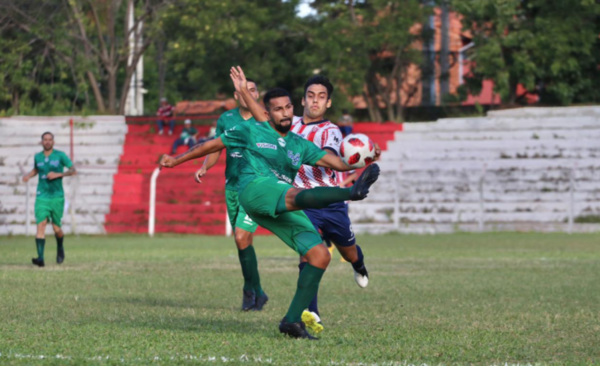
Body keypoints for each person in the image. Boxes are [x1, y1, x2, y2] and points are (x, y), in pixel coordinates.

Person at [159, 66, 381, 340]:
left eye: (288, 107)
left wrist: (365, 157)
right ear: (267, 113)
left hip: (281, 201)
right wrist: (176, 159)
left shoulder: (299, 144)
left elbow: (337, 162)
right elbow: (211, 145)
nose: (285, 113)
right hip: (255, 189)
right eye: (278, 109)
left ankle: (291, 322)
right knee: (291, 194)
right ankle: (352, 194)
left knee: (320, 255)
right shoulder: (252, 130)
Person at [290, 76, 369, 335]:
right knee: (309, 254)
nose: (315, 100)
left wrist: (300, 153)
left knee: (349, 253)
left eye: (321, 96)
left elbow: (330, 157)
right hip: (302, 201)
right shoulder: (288, 126)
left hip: (331, 202)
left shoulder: (330, 131)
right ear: (302, 100)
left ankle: (358, 264)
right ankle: (311, 312)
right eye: (310, 95)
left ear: (328, 102)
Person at [193, 78, 269, 312]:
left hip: (255, 188)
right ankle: (258, 291)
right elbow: (216, 147)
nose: (249, 93)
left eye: (253, 89)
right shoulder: (226, 119)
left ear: (257, 95)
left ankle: (249, 291)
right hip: (232, 187)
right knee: (242, 241)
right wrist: (205, 166)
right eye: (243, 90)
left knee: (240, 237)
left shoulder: (265, 118)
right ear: (237, 97)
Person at [22, 132, 76, 267]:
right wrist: (29, 175)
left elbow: (73, 170)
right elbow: (36, 170)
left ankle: (60, 247)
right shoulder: (38, 157)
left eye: (50, 140)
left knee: (56, 228)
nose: (47, 142)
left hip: (57, 197)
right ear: (42, 142)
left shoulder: (60, 155)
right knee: (41, 225)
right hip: (42, 196)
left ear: (53, 142)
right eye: (45, 140)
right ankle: (40, 259)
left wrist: (59, 174)